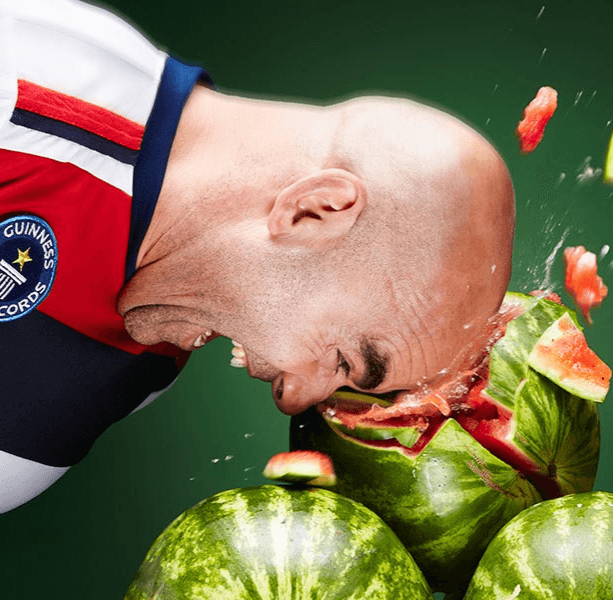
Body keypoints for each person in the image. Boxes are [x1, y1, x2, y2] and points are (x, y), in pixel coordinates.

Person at [0, 0, 515, 512]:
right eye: (341, 360)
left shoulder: (145, 365)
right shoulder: (30, 90)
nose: (292, 399)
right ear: (314, 211)